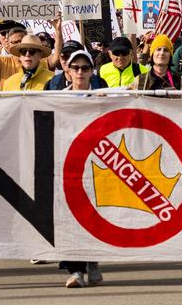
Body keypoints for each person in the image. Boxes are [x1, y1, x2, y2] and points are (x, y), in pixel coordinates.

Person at [49, 49, 103, 288]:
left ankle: (91, 259)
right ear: (68, 72)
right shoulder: (56, 98)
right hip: (65, 164)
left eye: (85, 68)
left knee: (91, 216)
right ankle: (76, 270)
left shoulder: (102, 97)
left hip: (95, 166)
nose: (80, 72)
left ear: (92, 71)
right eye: (76, 68)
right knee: (67, 217)